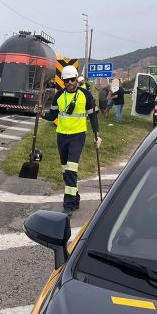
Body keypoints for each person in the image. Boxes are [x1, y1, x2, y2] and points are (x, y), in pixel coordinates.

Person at [41, 65, 100, 215]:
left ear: (77, 80)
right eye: (66, 80)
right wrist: (41, 113)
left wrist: (96, 135)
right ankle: (75, 198)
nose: (70, 83)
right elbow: (52, 116)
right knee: (65, 171)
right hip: (61, 136)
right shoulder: (59, 96)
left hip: (78, 136)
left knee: (71, 168)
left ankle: (68, 205)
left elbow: (93, 116)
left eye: (72, 80)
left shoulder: (86, 95)